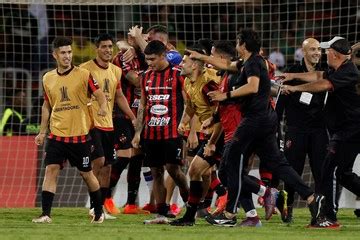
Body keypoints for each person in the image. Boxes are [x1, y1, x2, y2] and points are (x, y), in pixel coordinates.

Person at [201, 29, 322, 227]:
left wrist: (226, 97)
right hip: (259, 121)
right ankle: (305, 196)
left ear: (242, 45)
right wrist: (200, 56)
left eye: (238, 41)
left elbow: (251, 88)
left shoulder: (256, 63)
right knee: (274, 164)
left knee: (229, 166)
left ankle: (231, 215)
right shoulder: (242, 65)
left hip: (251, 122)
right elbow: (225, 69)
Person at [281, 36, 360, 228]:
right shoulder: (339, 68)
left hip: (350, 131)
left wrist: (295, 87)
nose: (323, 53)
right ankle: (319, 213)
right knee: (343, 174)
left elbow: (324, 84)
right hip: (344, 130)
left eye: (325, 50)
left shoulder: (348, 71)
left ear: (334, 54)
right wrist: (292, 76)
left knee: (327, 171)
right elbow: (319, 76)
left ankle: (329, 217)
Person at [31, 36, 107, 224]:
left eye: (69, 52)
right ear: (54, 55)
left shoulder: (83, 75)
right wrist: (42, 132)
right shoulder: (47, 78)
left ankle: (98, 212)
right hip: (56, 135)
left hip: (80, 136)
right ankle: (46, 214)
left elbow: (99, 95)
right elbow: (47, 105)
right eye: (63, 53)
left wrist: (103, 107)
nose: (67, 56)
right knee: (51, 170)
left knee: (87, 174)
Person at [131, 40, 189, 224]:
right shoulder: (146, 76)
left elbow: (188, 104)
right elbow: (142, 106)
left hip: (172, 133)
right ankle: (162, 213)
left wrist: (186, 126)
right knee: (156, 172)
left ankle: (191, 204)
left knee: (174, 170)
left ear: (163, 56)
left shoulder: (178, 75)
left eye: (152, 59)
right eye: (147, 59)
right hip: (151, 134)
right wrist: (138, 133)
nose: (149, 63)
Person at [80, 33, 137, 220]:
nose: (107, 50)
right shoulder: (84, 70)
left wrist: (132, 117)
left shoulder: (115, 70)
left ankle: (101, 205)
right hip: (91, 124)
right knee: (98, 162)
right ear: (96, 48)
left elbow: (119, 96)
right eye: (103, 47)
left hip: (109, 125)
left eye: (109, 47)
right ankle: (93, 205)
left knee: (107, 167)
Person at [276, 38, 328, 223]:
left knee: (320, 172)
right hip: (296, 130)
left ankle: (321, 210)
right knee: (293, 171)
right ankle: (287, 207)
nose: (316, 52)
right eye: (312, 49)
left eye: (318, 50)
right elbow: (280, 103)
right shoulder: (292, 72)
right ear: (303, 52)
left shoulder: (326, 73)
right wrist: (277, 129)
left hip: (319, 131)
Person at [169, 46, 223, 226]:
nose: (181, 64)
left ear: (195, 66)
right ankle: (191, 216)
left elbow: (222, 113)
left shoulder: (208, 85)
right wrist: (184, 121)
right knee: (197, 171)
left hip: (221, 133)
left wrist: (212, 142)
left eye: (185, 62)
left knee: (226, 173)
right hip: (211, 133)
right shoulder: (187, 82)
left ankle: (264, 193)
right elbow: (191, 107)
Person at [108, 33, 152, 215]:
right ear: (132, 39)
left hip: (140, 115)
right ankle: (104, 197)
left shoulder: (144, 58)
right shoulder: (124, 56)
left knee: (137, 157)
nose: (146, 42)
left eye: (147, 40)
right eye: (143, 39)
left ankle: (130, 204)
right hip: (121, 113)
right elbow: (135, 80)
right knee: (124, 156)